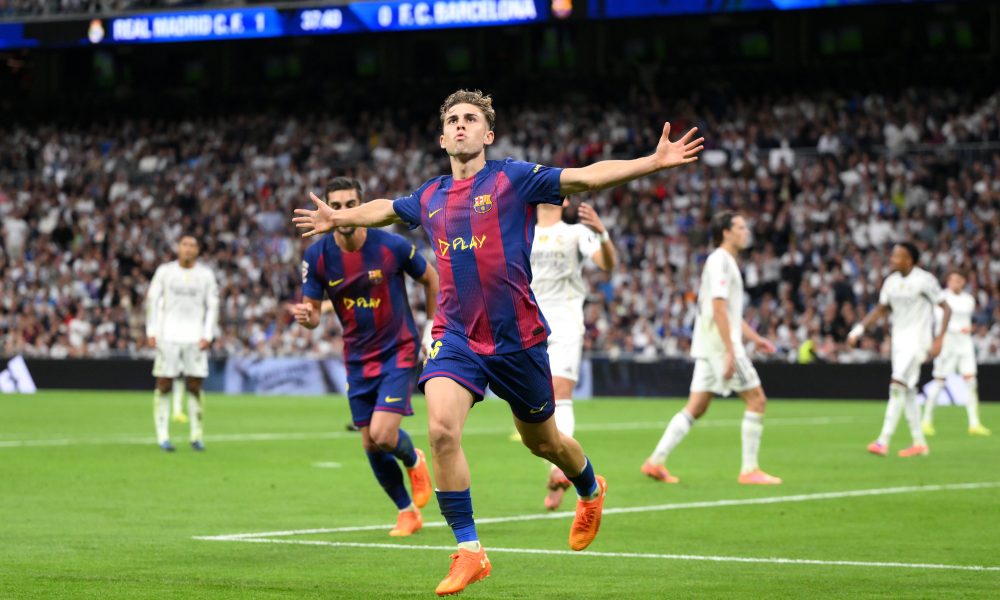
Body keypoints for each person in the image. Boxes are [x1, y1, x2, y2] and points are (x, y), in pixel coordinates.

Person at [292, 89, 703, 596]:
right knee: (441, 430)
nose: (460, 125)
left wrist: (654, 163)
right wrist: (340, 219)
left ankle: (590, 487)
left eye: (470, 119)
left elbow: (585, 176)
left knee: (543, 442)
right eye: (452, 120)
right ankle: (469, 550)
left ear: (487, 134)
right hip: (455, 334)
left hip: (517, 338)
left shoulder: (514, 178)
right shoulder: (430, 195)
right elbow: (382, 210)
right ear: (443, 137)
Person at [291, 177, 439, 537]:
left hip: (399, 350)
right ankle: (406, 511)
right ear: (327, 208)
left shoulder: (390, 245)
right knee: (370, 442)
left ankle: (413, 458)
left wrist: (432, 328)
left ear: (361, 205)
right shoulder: (317, 256)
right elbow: (312, 314)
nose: (343, 212)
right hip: (357, 358)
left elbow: (432, 280)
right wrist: (308, 320)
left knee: (384, 434)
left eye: (350, 204)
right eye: (336, 205)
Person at [640, 212, 782, 486]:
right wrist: (731, 350)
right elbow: (718, 308)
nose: (746, 231)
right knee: (757, 400)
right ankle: (750, 469)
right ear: (726, 232)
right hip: (719, 345)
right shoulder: (721, 261)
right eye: (740, 227)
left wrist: (755, 339)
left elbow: (728, 312)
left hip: (709, 344)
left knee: (696, 406)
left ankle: (655, 461)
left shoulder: (724, 261)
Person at [530, 196, 617, 510]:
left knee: (560, 391)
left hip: (565, 322)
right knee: (536, 407)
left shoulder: (576, 233)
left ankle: (560, 470)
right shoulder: (521, 230)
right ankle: (558, 471)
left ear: (563, 198)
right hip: (529, 325)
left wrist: (603, 234)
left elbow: (607, 264)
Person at [848, 242, 951, 457]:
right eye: (893, 255)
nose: (892, 259)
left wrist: (939, 339)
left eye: (897, 256)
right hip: (899, 342)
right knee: (909, 391)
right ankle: (919, 442)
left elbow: (945, 307)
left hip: (918, 341)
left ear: (909, 260)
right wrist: (858, 330)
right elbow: (881, 309)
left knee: (897, 384)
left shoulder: (924, 280)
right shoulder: (891, 282)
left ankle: (883, 440)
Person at [146, 235, 219, 452]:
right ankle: (162, 436)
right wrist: (152, 330)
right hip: (168, 336)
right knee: (164, 384)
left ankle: (196, 435)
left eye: (193, 246)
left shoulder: (205, 275)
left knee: (195, 385)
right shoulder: (165, 271)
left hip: (195, 337)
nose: (188, 249)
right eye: (185, 245)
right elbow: (152, 301)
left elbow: (212, 305)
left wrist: (208, 334)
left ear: (197, 250)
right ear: (178, 248)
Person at [921, 271, 990, 436]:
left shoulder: (969, 300)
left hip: (965, 346)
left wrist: (965, 329)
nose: (955, 283)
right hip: (947, 345)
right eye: (952, 280)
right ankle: (926, 421)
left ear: (964, 282)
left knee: (971, 383)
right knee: (939, 383)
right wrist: (960, 329)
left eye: (958, 280)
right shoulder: (942, 298)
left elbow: (965, 320)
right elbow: (940, 320)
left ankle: (974, 424)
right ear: (948, 281)